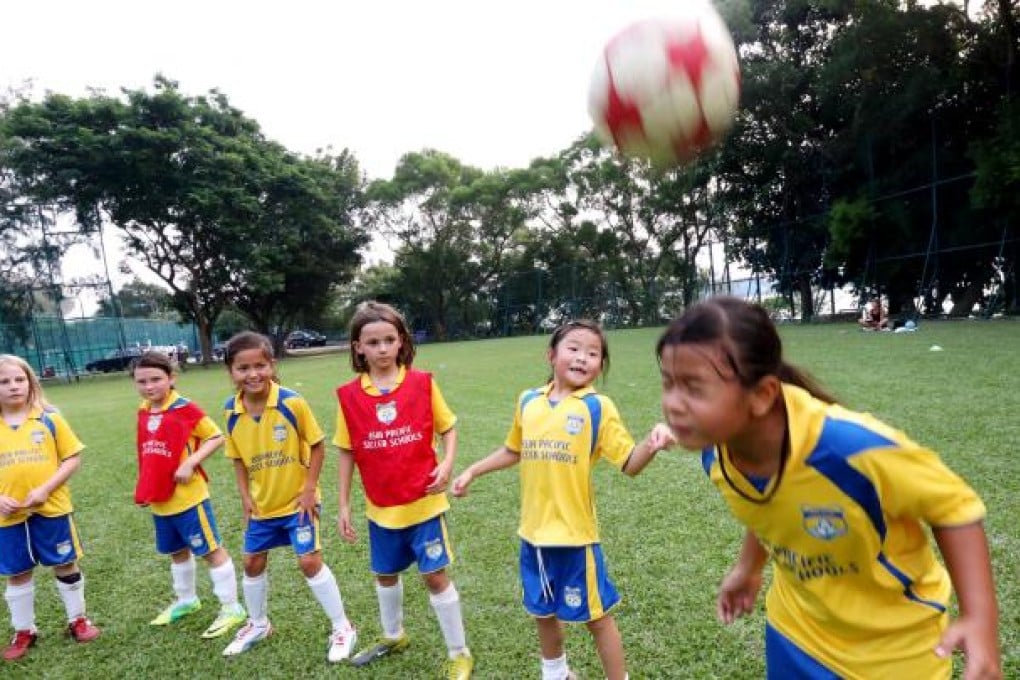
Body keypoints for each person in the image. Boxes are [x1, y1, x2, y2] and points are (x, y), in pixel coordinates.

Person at [655, 296, 1001, 679]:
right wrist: (748, 568)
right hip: (796, 634)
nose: (673, 404)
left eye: (693, 387)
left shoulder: (850, 449)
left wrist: (979, 619)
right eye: (668, 384)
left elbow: (956, 508)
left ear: (762, 395)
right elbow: (772, 505)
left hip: (891, 654)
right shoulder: (716, 453)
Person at [451, 320, 675, 680]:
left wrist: (651, 443)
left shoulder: (597, 407)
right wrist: (473, 470)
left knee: (596, 618)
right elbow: (514, 449)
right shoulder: (528, 400)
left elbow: (630, 464)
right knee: (543, 611)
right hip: (533, 534)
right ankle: (555, 673)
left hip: (575, 537)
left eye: (594, 353)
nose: (583, 358)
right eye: (574, 348)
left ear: (601, 365)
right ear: (551, 355)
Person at [335, 302, 473, 679]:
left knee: (435, 576)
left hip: (424, 503)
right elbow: (346, 451)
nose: (381, 349)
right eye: (372, 342)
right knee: (385, 575)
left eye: (389, 340)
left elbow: (449, 429)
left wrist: (446, 463)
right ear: (357, 347)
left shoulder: (422, 383)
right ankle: (394, 636)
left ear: (401, 343)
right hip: (381, 508)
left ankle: (459, 653)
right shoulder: (348, 396)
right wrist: (343, 503)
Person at [219, 332, 357, 662]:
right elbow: (237, 458)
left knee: (309, 561)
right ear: (231, 372)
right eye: (243, 368)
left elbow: (318, 446)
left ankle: (343, 627)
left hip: (298, 502)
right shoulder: (231, 412)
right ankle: (258, 624)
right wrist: (245, 498)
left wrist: (310, 490)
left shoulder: (291, 402)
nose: (253, 374)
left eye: (260, 365)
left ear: (272, 365)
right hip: (262, 506)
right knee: (252, 561)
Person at [130, 351, 246, 639]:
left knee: (210, 550)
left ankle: (232, 608)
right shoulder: (144, 409)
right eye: (142, 381)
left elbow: (216, 436)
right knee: (176, 552)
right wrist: (147, 485)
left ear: (172, 378)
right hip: (161, 498)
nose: (149, 386)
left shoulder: (184, 408)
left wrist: (190, 462)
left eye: (156, 379)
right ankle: (187, 600)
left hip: (188, 497)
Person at [0, 354, 100, 662]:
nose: (14, 386)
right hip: (7, 516)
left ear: (31, 382)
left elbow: (72, 458)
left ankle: (78, 620)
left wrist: (45, 489)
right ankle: (24, 630)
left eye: (20, 379)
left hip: (52, 508)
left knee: (65, 562)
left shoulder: (49, 418)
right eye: (4, 381)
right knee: (17, 572)